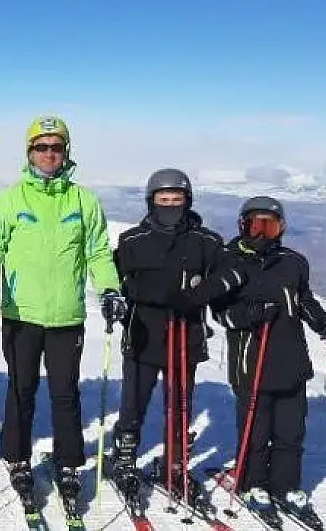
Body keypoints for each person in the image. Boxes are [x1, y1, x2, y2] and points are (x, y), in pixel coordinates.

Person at [169, 196, 326, 529]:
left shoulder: (293, 262)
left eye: (272, 225)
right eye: (258, 224)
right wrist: (247, 315)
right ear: (244, 225)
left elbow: (305, 301)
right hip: (250, 361)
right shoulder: (228, 260)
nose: (264, 232)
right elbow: (219, 312)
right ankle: (253, 484)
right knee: (256, 431)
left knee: (291, 431)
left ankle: (286, 487)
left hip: (291, 359)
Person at [0, 115, 121, 504]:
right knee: (21, 390)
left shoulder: (83, 200)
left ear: (66, 151)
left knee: (64, 393)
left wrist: (109, 288)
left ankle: (69, 462)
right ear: (29, 152)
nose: (49, 153)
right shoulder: (11, 199)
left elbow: (99, 251)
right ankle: (17, 457)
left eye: (56, 147)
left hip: (66, 317)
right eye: (42, 146)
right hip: (21, 314)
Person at [103, 168, 223, 507]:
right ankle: (124, 457)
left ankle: (175, 461)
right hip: (142, 333)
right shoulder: (132, 241)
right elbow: (113, 280)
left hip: (187, 334)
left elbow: (222, 280)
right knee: (134, 401)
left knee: (180, 403)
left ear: (188, 202)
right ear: (151, 201)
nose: (170, 205)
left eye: (177, 200)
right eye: (163, 200)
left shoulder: (207, 242)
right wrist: (128, 298)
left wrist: (199, 295)